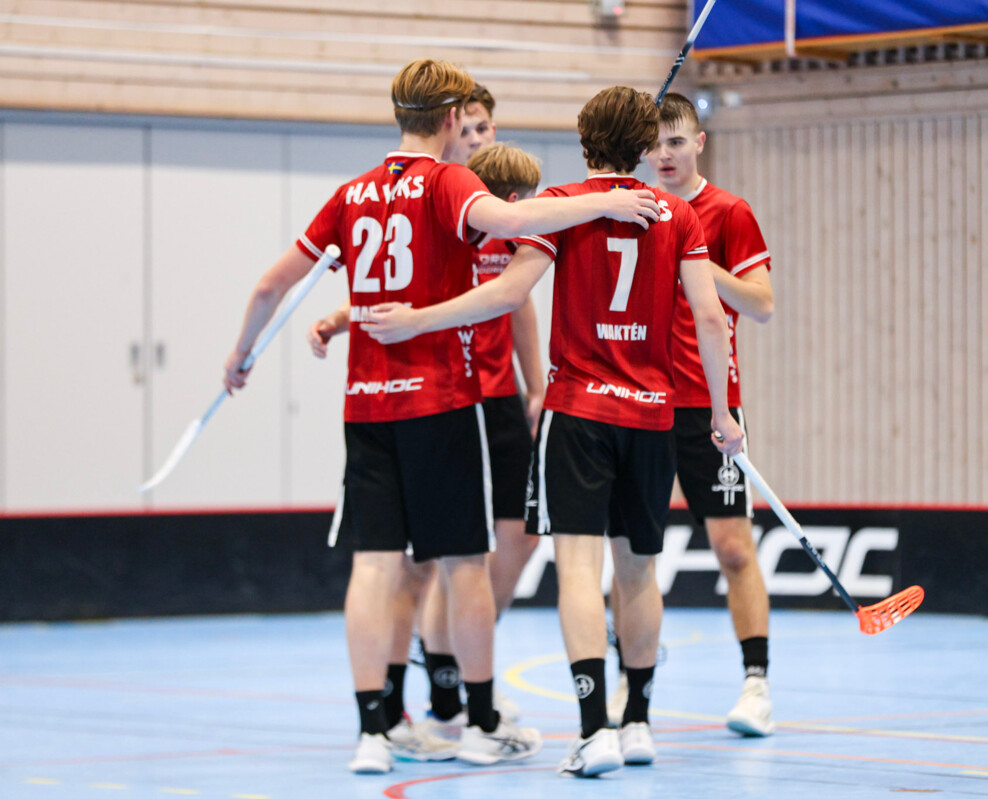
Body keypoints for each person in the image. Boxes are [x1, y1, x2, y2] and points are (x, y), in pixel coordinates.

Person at [223, 59, 661, 774]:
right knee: (464, 566)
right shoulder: (447, 182)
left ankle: (372, 731)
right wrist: (605, 200)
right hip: (442, 401)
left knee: (375, 566)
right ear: (453, 117)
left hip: (366, 406)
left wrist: (240, 355)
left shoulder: (349, 193)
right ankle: (478, 720)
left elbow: (273, 284)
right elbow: (514, 222)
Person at [357, 86, 745, 778]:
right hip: (653, 414)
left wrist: (417, 319)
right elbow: (712, 319)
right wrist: (721, 411)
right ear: (645, 146)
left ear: (585, 141)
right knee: (639, 569)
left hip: (579, 413)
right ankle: (638, 721)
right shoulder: (679, 214)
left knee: (578, 570)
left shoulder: (563, 206)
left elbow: (508, 294)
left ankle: (594, 731)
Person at [309, 84, 542, 732]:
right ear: (446, 128)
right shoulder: (432, 196)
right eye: (468, 127)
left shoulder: (493, 206)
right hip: (439, 397)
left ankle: (464, 672)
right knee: (419, 561)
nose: (478, 138)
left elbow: (516, 298)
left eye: (486, 127)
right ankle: (414, 698)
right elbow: (394, 286)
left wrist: (537, 384)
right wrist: (343, 318)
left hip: (495, 397)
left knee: (507, 543)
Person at [610, 91, 777, 736]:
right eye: (655, 145)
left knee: (733, 548)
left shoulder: (729, 212)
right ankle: (630, 677)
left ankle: (756, 684)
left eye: (676, 142)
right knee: (633, 556)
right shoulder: (633, 209)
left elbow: (761, 305)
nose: (665, 155)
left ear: (699, 143)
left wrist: (698, 264)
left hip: (711, 406)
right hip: (640, 401)